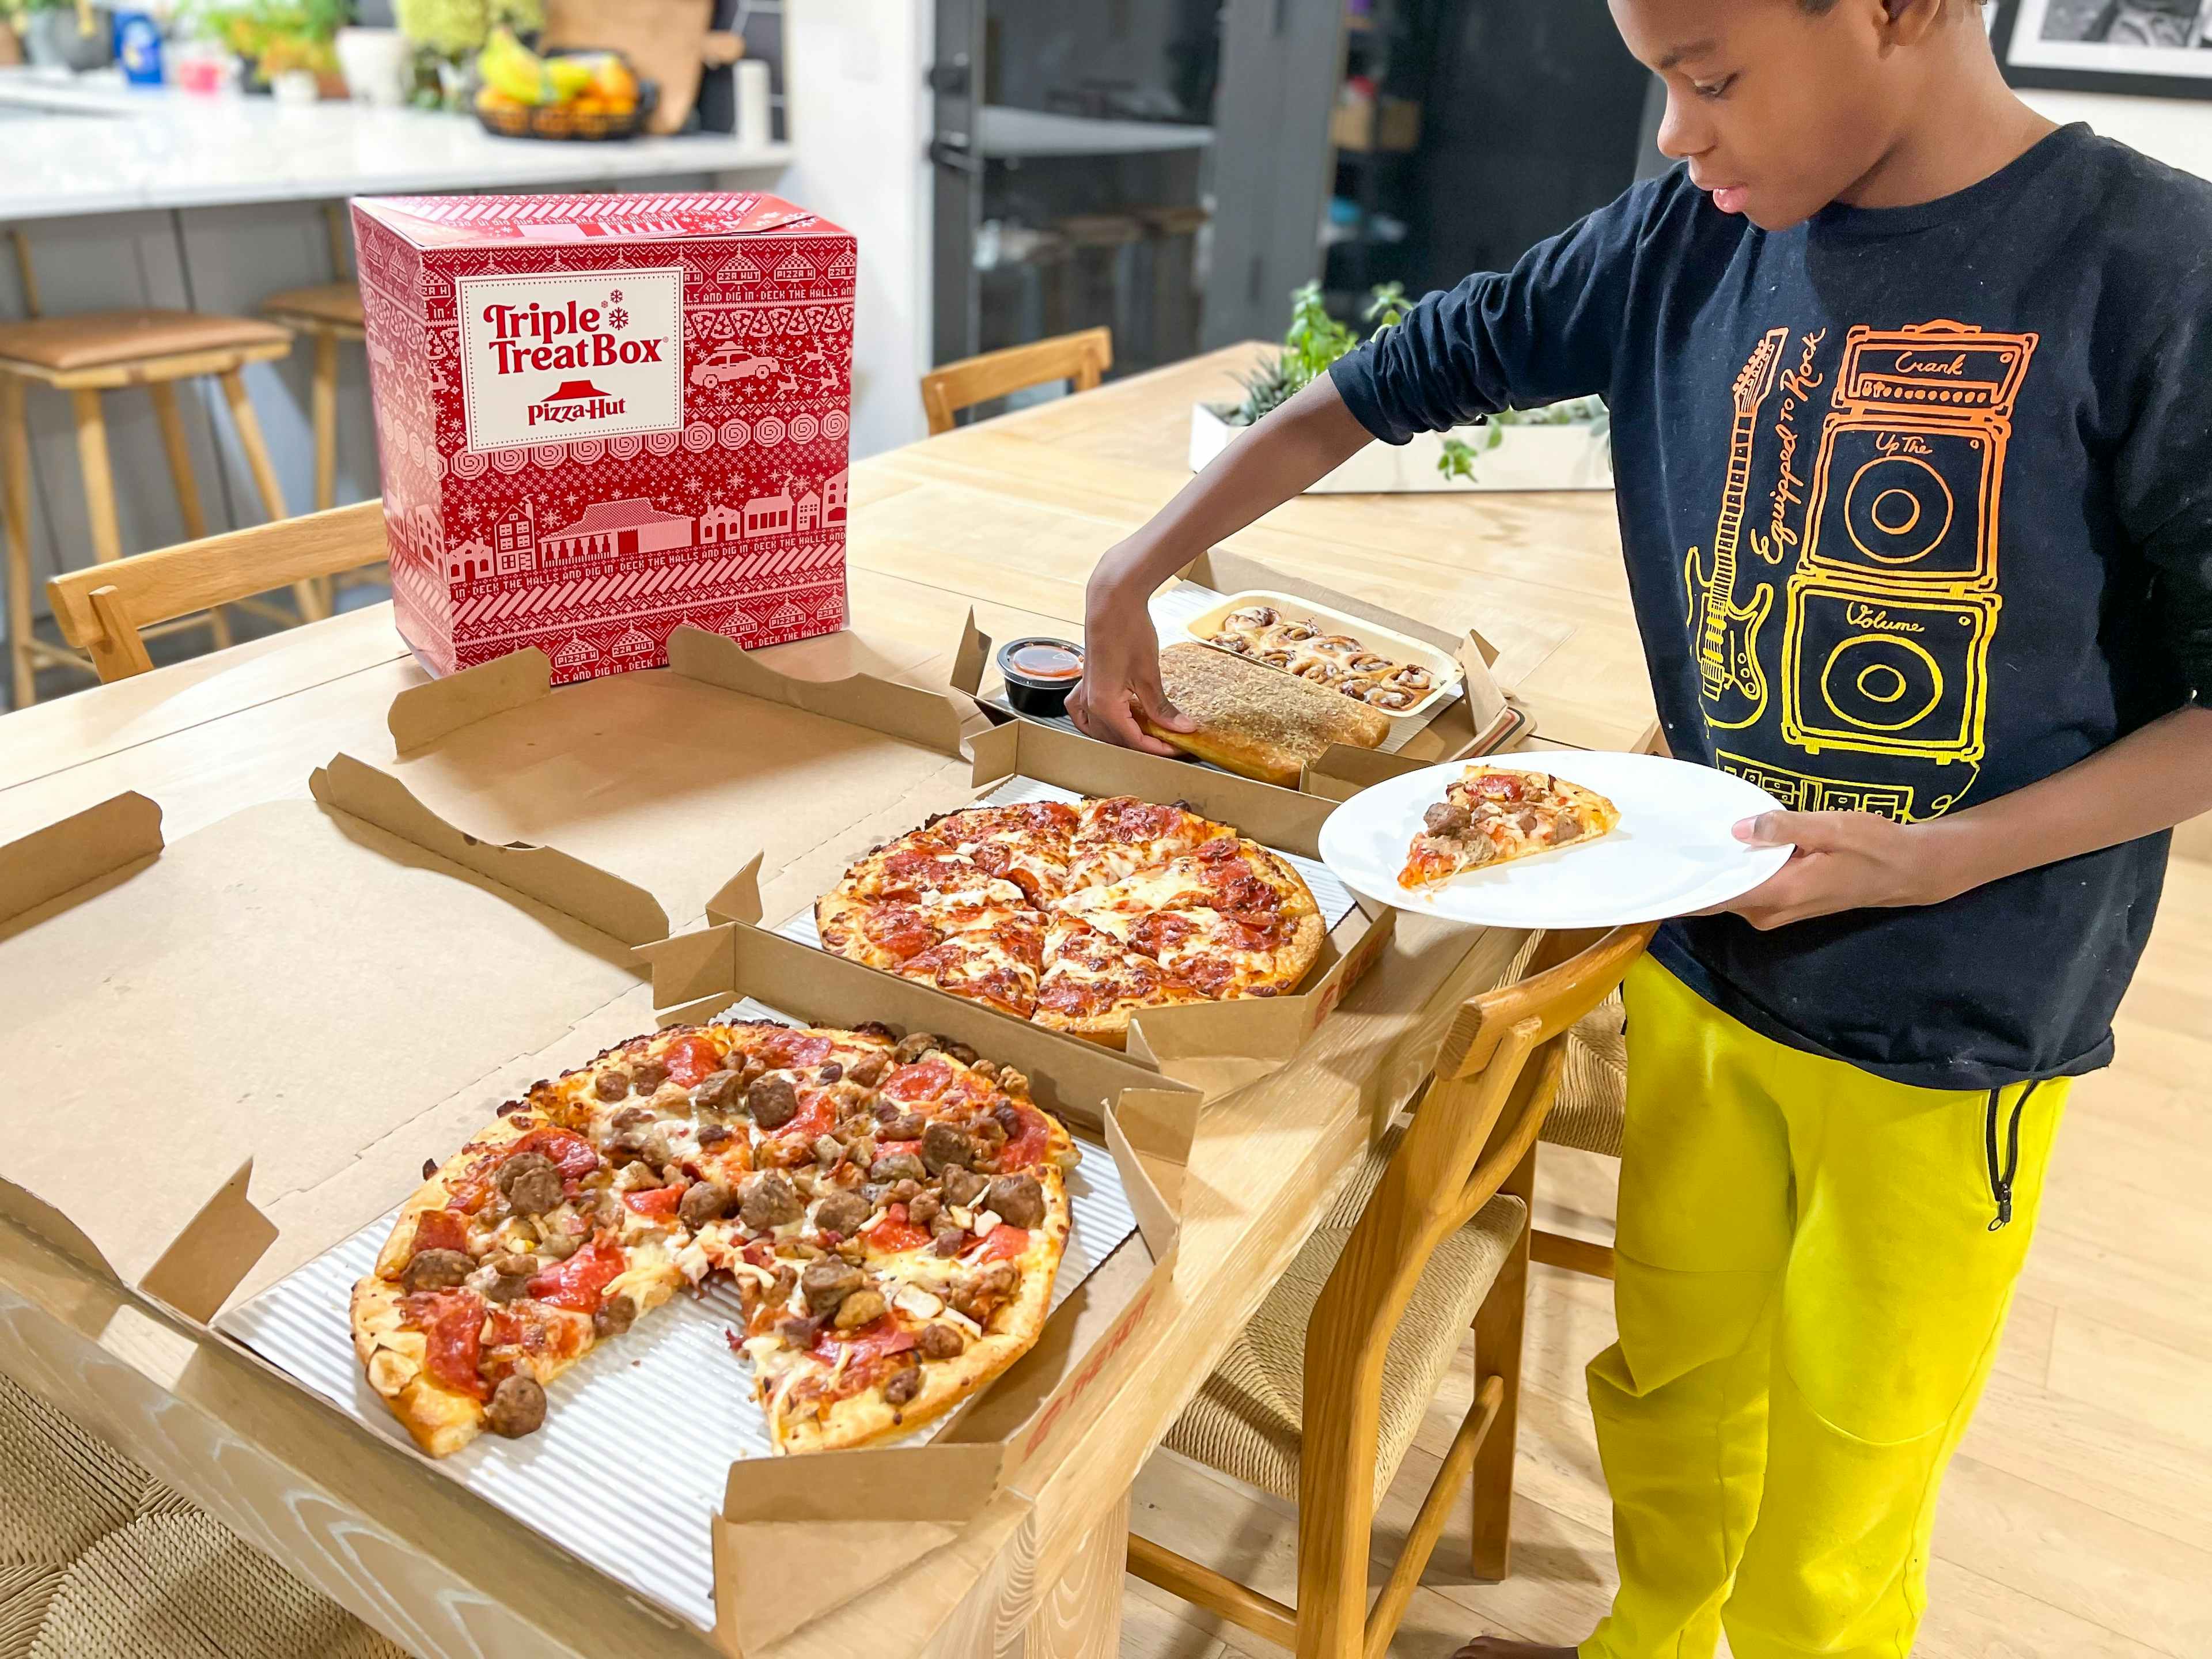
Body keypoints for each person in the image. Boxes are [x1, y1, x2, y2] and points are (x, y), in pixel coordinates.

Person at [1067, 2, 2212, 1656]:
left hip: (1959, 1022)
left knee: (1853, 1452)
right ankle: (1656, 1632)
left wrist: (1943, 854)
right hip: (1700, 963)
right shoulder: (1689, 233)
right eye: (1659, 78)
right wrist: (1134, 565)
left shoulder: (2151, 268)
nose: (1676, 133)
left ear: (1901, 11)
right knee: (1670, 1369)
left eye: (1712, 75)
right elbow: (1383, 383)